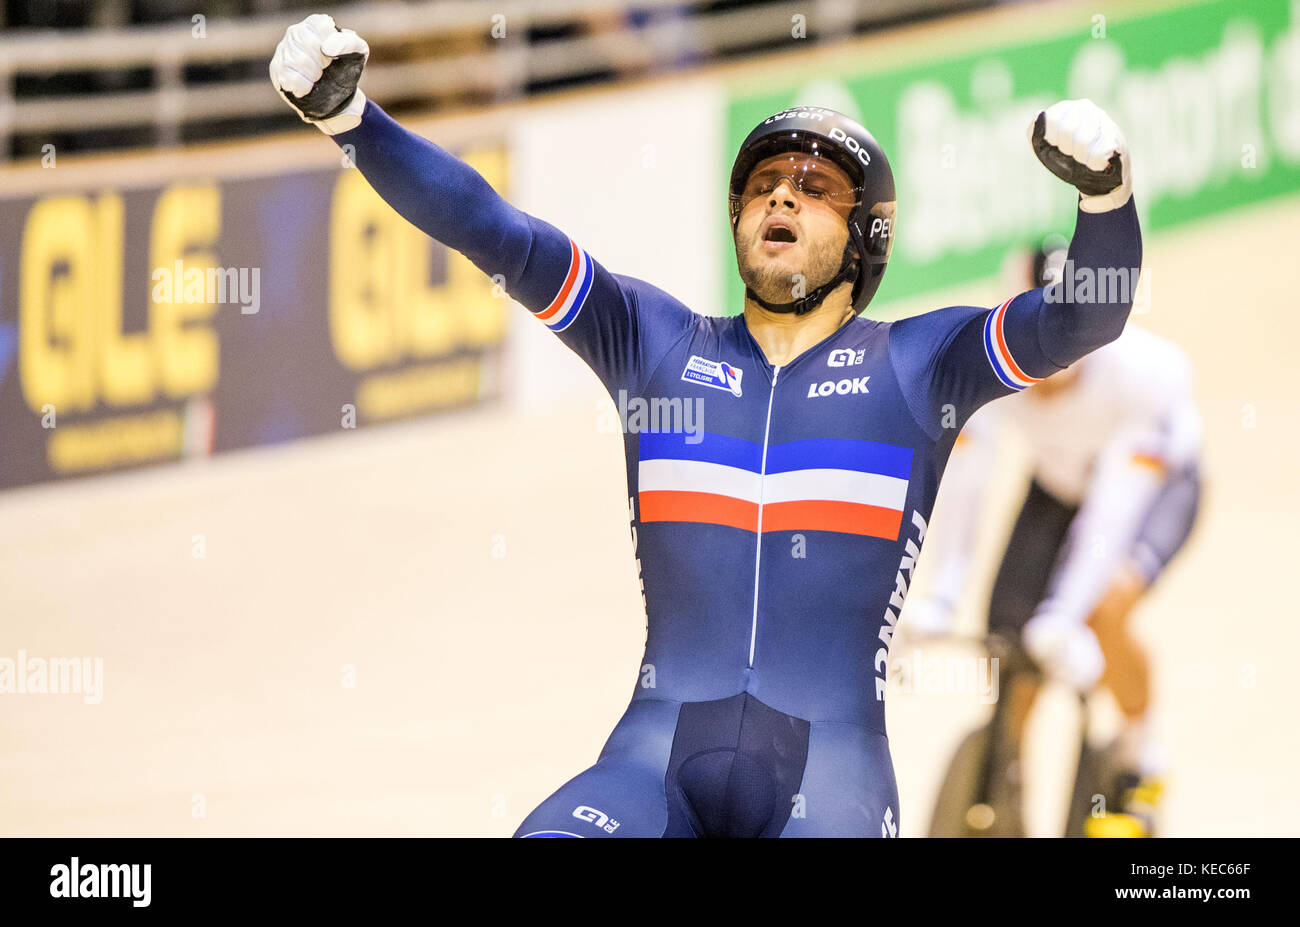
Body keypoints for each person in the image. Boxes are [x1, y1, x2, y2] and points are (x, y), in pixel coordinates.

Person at [269, 14, 1143, 837]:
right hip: (651, 762)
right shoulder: (650, 341)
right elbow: (493, 230)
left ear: (868, 233)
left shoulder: (920, 364)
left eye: (816, 188)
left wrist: (1106, 201)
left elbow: (1082, 319)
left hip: (830, 776)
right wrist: (354, 120)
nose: (782, 198)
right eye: (763, 184)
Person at [906, 241, 1202, 837]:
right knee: (1011, 642)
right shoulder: (992, 361)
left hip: (1155, 486)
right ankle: (1006, 780)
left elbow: (1112, 515)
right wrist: (942, 595)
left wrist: (1067, 612)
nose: (1046, 365)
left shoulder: (1144, 377)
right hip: (1058, 484)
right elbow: (965, 487)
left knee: (1102, 608)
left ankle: (1141, 752)